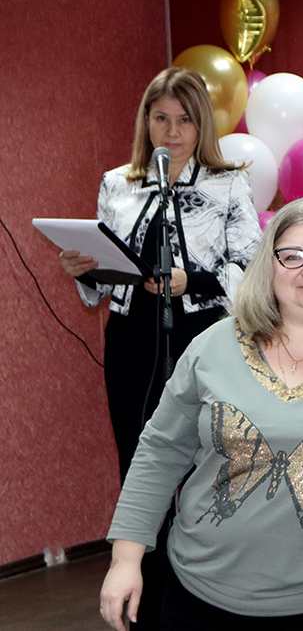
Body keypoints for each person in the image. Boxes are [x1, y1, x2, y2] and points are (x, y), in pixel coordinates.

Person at [99, 197, 303, 631]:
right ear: (269, 268)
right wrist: (125, 561)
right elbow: (158, 453)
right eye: (292, 256)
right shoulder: (212, 345)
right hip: (198, 598)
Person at [59, 67, 262, 631]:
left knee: (208, 468)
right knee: (142, 467)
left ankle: (211, 596)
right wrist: (83, 268)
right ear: (145, 122)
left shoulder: (226, 184)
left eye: (184, 121)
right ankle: (149, 606)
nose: (171, 132)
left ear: (202, 126)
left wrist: (190, 281)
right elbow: (101, 282)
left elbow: (252, 269)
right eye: (160, 119)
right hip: (132, 343)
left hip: (203, 338)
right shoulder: (118, 183)